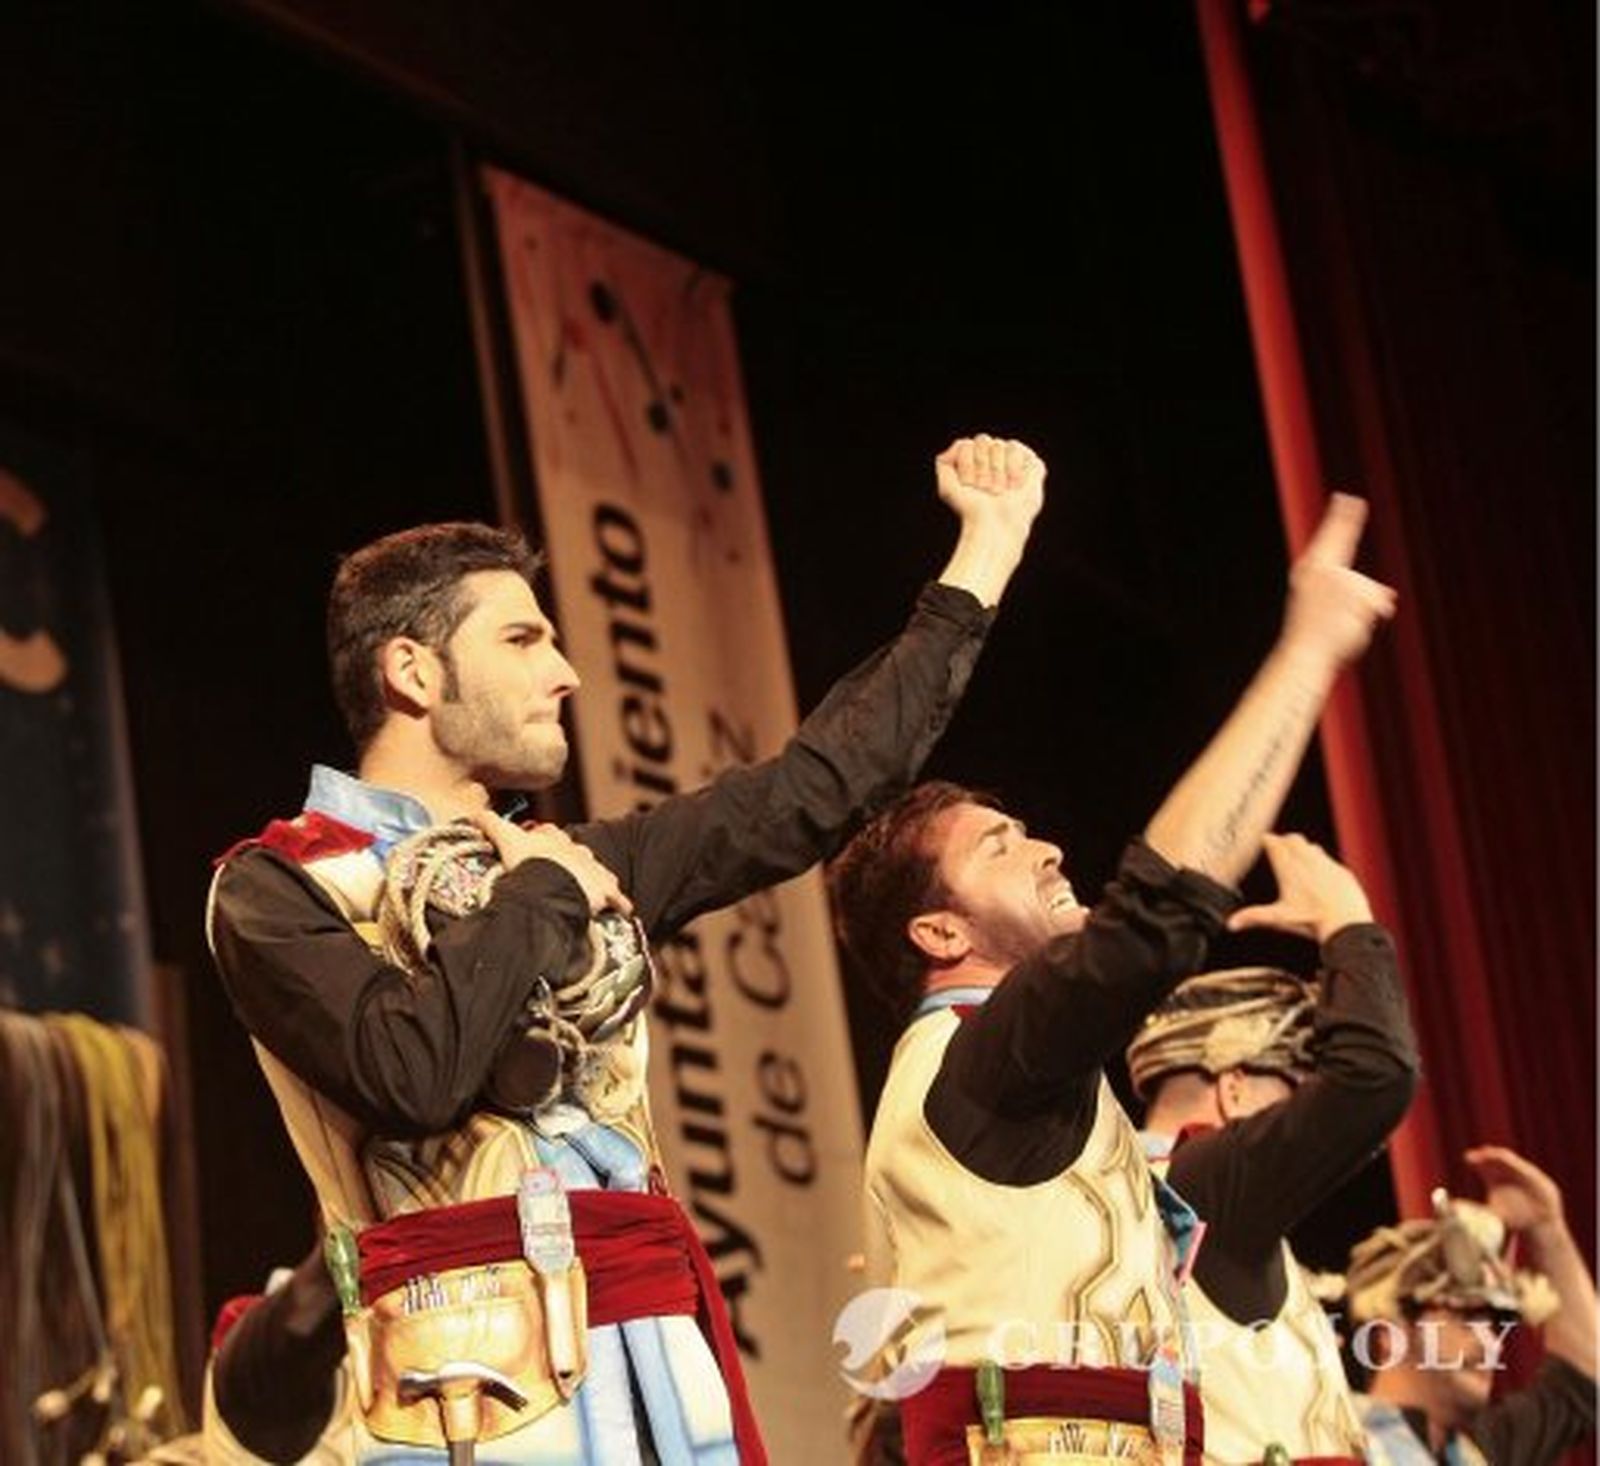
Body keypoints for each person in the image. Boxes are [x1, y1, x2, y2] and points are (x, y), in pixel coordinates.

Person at [204, 433, 1046, 1466]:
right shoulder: (277, 884)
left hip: (659, 1389)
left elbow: (817, 787)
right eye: (523, 640)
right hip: (466, 1409)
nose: (565, 674)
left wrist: (985, 552)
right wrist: (543, 889)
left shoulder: (585, 861)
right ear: (412, 670)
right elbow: (413, 1072)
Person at [828, 494, 1396, 1466]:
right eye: (999, 847)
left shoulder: (1016, 1075)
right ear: (940, 929)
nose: (1047, 848)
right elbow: (1158, 915)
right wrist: (1305, 655)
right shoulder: (983, 1057)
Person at [1126, 834, 1420, 1466]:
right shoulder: (1198, 1189)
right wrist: (1346, 920)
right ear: (1233, 1088)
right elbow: (1373, 1078)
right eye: (1291, 1087)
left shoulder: (1130, 1196)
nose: (1301, 1110)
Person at [1346, 1147, 1597, 1466]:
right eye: (1466, 1318)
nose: (1491, 1344)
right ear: (1389, 1332)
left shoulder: (1481, 1453)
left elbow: (1583, 1376)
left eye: (1492, 1325)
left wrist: (1545, 1226)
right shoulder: (1331, 1439)